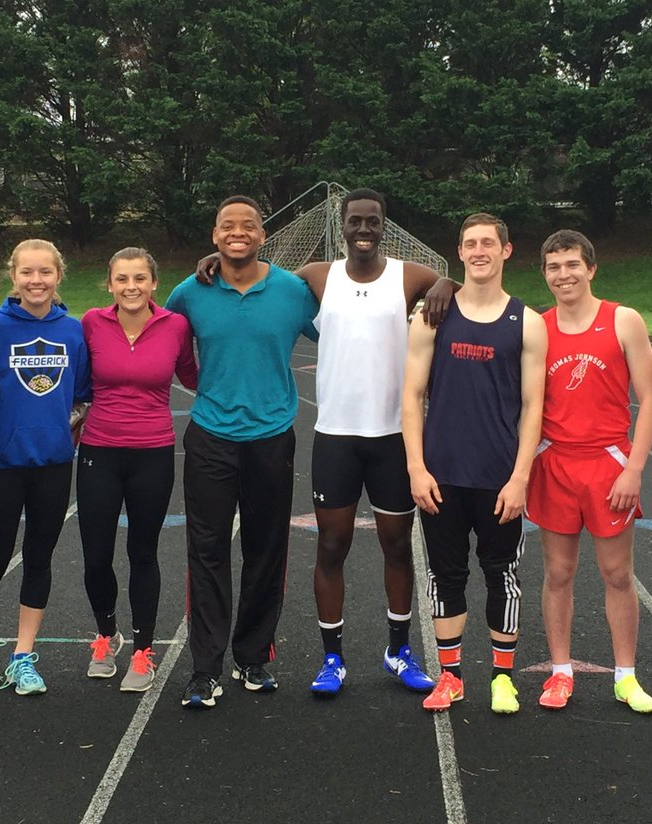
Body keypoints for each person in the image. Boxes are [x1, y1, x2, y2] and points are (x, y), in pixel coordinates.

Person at [200, 188, 442, 697]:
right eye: (354, 221)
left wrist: (445, 284)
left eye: (372, 221)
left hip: (394, 437)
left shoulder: (410, 276)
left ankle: (398, 650)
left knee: (397, 545)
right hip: (334, 436)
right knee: (332, 545)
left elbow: (462, 287)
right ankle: (332, 658)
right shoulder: (316, 276)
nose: (363, 229)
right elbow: (250, 268)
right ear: (342, 224)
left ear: (383, 224)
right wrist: (212, 260)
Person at [166, 195, 319, 709]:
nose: (238, 233)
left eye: (248, 225)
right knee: (205, 551)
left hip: (273, 435)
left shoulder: (294, 292)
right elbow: (159, 339)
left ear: (262, 235)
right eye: (227, 226)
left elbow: (344, 333)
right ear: (214, 237)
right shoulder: (190, 292)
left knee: (266, 548)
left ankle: (252, 657)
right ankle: (204, 668)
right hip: (210, 434)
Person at [401, 213, 547, 714]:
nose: (479, 250)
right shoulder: (433, 317)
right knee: (445, 575)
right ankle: (451, 675)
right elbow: (412, 395)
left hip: (499, 476)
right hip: (441, 475)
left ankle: (503, 677)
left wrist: (521, 476)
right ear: (459, 252)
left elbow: (534, 406)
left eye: (489, 242)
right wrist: (417, 469)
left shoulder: (526, 321)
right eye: (470, 243)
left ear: (507, 251)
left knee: (502, 573)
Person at [525, 229, 652, 714]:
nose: (563, 275)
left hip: (609, 463)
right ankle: (560, 672)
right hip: (556, 462)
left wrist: (635, 469)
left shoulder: (622, 320)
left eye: (572, 265)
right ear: (544, 273)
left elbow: (651, 399)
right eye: (554, 267)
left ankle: (626, 676)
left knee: (617, 573)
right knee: (558, 571)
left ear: (591, 269)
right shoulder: (538, 327)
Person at [0, 239, 91, 695]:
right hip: (0, 464)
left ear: (59, 276)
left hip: (54, 465)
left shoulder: (74, 331)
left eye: (46, 272)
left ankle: (22, 655)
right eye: (27, 273)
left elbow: (81, 395)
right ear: (12, 275)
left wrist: (61, 428)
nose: (37, 281)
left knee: (40, 556)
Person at [78, 248, 198, 691]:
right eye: (122, 279)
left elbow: (194, 377)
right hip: (99, 451)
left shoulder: (176, 326)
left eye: (140, 278)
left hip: (153, 452)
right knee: (95, 554)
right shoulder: (91, 322)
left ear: (154, 284)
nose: (132, 287)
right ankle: (105, 636)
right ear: (109, 284)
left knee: (142, 553)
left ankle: (144, 650)